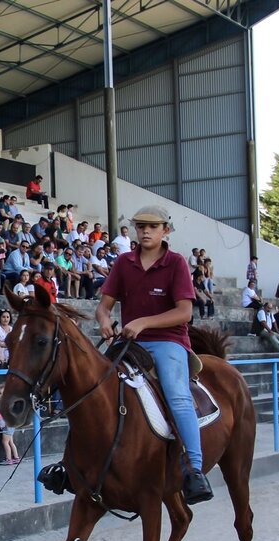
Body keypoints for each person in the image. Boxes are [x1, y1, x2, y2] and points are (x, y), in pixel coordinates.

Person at [95, 205, 213, 505]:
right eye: (140, 226)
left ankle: (195, 470)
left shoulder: (176, 263)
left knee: (177, 395)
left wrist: (144, 322)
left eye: (152, 226)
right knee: (93, 387)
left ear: (166, 231)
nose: (145, 231)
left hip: (168, 341)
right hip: (129, 342)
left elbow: (184, 312)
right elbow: (104, 306)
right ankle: (77, 464)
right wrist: (105, 321)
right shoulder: (124, 262)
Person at [0, 385, 20, 466]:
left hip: (7, 425)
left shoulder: (5, 404)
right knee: (11, 442)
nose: (2, 395)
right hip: (9, 424)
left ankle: (9, 459)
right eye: (0, 393)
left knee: (5, 442)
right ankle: (16, 457)